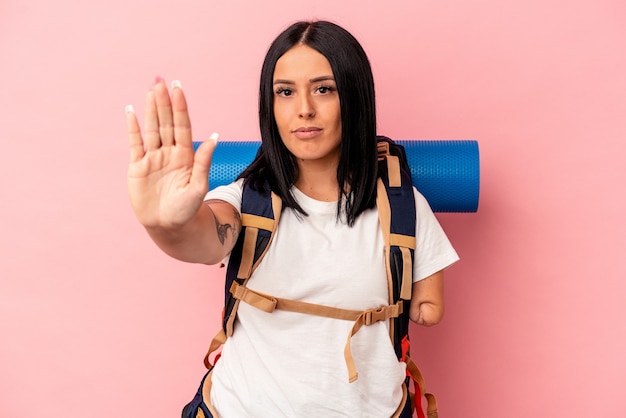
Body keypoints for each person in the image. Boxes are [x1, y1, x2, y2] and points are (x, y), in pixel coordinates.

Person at [126, 20, 458, 418]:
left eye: (324, 89)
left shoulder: (402, 207)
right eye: (285, 92)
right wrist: (166, 224)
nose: (304, 109)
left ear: (355, 98)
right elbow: (203, 238)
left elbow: (429, 306)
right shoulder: (244, 198)